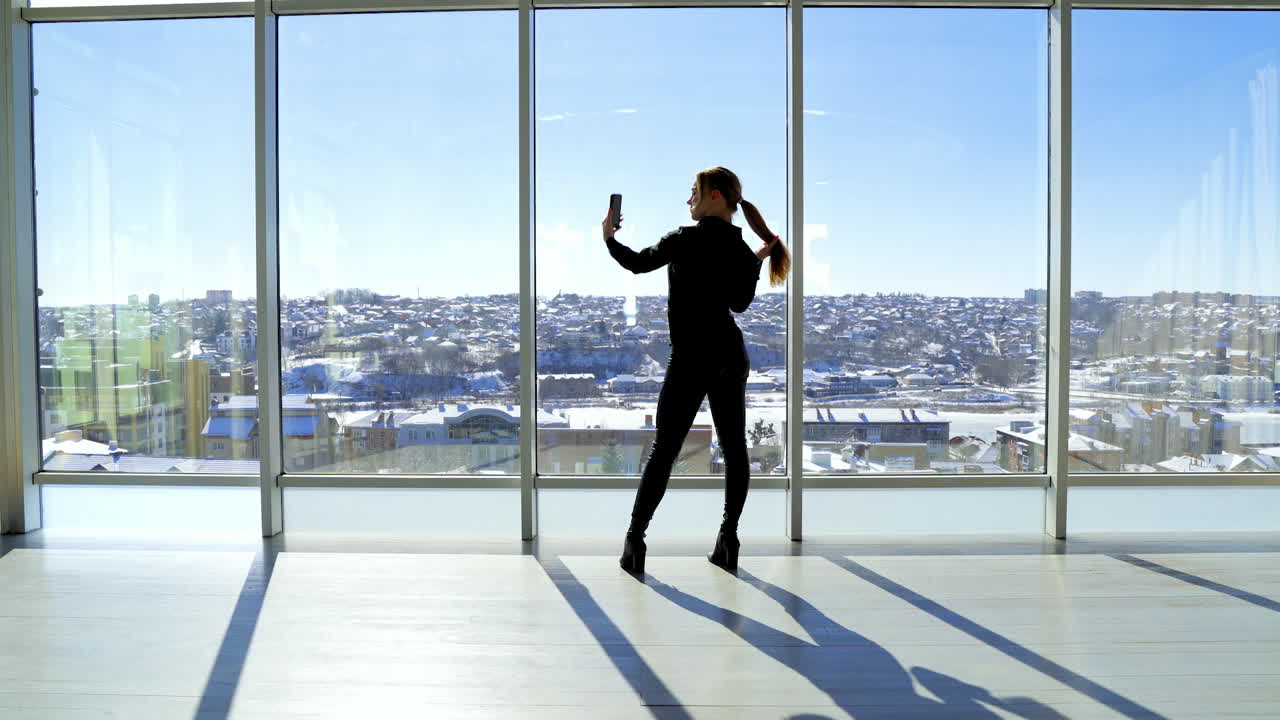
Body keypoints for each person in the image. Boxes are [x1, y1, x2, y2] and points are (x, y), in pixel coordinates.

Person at [602, 166, 791, 574]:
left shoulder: (683, 239)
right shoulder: (741, 247)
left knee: (664, 450)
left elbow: (637, 264)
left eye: (694, 192)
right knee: (735, 448)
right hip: (730, 354)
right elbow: (739, 304)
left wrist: (609, 238)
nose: (689, 200)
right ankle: (729, 537)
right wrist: (754, 263)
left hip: (691, 356)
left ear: (716, 196)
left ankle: (635, 539)